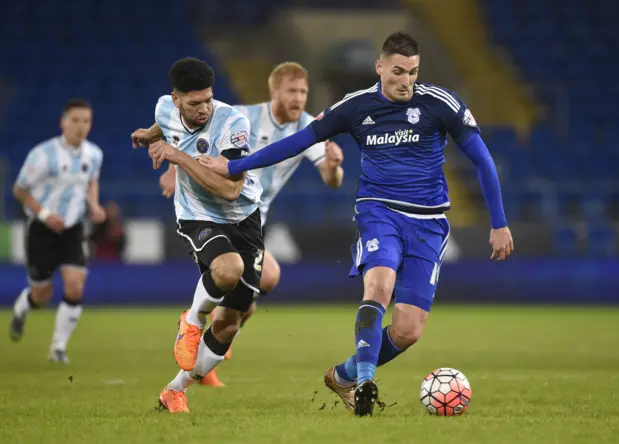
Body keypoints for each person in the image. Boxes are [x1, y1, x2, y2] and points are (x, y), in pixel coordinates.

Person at [201, 32, 515, 416]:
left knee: (408, 331)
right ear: (380, 67)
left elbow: (482, 161)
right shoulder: (355, 107)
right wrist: (234, 166)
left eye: (413, 73)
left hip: (430, 223)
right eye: (398, 71)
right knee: (379, 283)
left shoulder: (440, 103)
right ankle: (366, 381)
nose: (405, 81)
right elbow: (298, 141)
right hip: (378, 211)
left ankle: (345, 374)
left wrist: (499, 223)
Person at [156, 61, 345, 386]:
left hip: (253, 215)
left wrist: (334, 166)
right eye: (292, 91)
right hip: (218, 209)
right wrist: (175, 168)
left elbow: (331, 180)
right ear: (275, 91)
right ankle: (203, 329)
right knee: (258, 279)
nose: (299, 98)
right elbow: (192, 128)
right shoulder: (244, 115)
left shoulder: (308, 129)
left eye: (303, 91)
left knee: (261, 287)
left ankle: (211, 333)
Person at [131, 57, 264, 413]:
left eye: (207, 99)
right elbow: (163, 124)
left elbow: (231, 190)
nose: (203, 108)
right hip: (197, 215)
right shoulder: (164, 108)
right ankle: (191, 320)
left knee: (229, 325)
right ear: (176, 100)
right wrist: (148, 134)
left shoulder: (233, 123)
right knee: (227, 268)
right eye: (193, 103)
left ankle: (174, 390)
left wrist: (178, 158)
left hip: (244, 216)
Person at [9, 98, 106, 364]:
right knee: (43, 294)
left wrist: (94, 205)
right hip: (41, 229)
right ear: (63, 122)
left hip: (73, 228)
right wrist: (44, 214)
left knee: (75, 286)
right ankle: (22, 307)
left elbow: (91, 181)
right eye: (75, 120)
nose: (81, 126)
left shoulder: (94, 154)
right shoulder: (42, 154)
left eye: (86, 121)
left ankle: (58, 348)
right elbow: (19, 189)